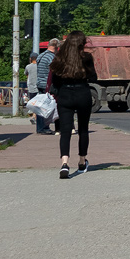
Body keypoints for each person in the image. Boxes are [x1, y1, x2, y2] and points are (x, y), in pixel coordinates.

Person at [47, 31, 97, 179]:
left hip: (65, 95)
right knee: (83, 129)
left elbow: (54, 80)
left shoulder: (60, 58)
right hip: (82, 94)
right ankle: (82, 161)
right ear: (82, 43)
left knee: (65, 131)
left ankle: (64, 163)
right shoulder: (86, 58)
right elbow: (93, 77)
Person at [34, 40, 59, 134]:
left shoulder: (41, 55)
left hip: (39, 83)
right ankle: (44, 128)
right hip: (47, 85)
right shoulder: (51, 57)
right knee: (46, 107)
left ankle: (40, 127)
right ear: (56, 47)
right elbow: (53, 72)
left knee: (41, 106)